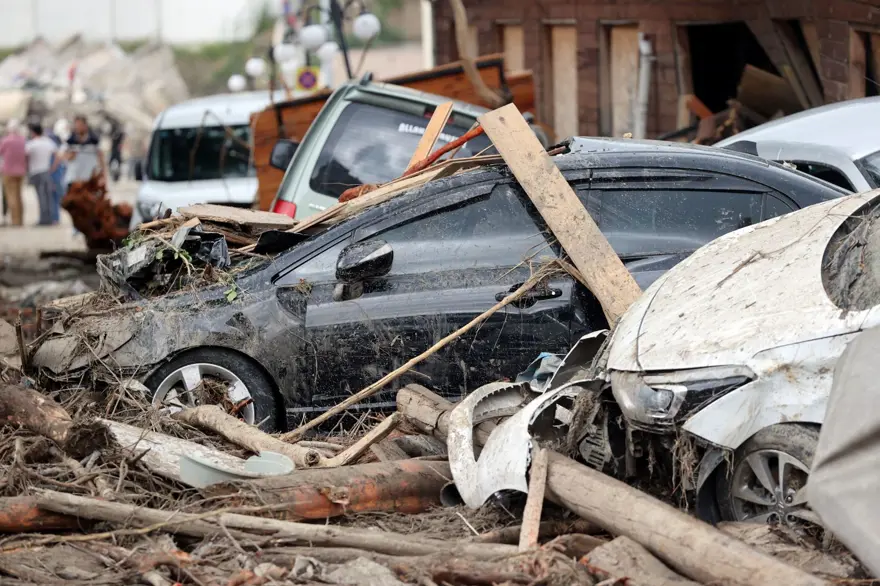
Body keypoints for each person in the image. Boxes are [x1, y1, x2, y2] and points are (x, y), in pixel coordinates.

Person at [52, 115, 106, 185]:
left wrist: (103, 176)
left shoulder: (94, 141)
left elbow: (101, 158)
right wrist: (69, 156)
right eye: (76, 125)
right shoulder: (70, 141)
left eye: (80, 125)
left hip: (90, 179)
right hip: (73, 179)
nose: (78, 128)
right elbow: (60, 155)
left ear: (85, 125)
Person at [25, 123, 59, 226]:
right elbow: (57, 155)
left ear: (33, 132)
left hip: (36, 172)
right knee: (48, 196)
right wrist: (53, 167)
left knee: (41, 197)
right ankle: (49, 218)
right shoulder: (48, 142)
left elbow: (26, 156)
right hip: (46, 171)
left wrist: (27, 168)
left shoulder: (31, 144)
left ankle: (44, 220)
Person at [0, 120, 27, 226]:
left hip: (8, 171)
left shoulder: (6, 141)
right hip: (21, 171)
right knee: (19, 196)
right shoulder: (23, 140)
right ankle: (20, 220)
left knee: (11, 197)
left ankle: (15, 221)